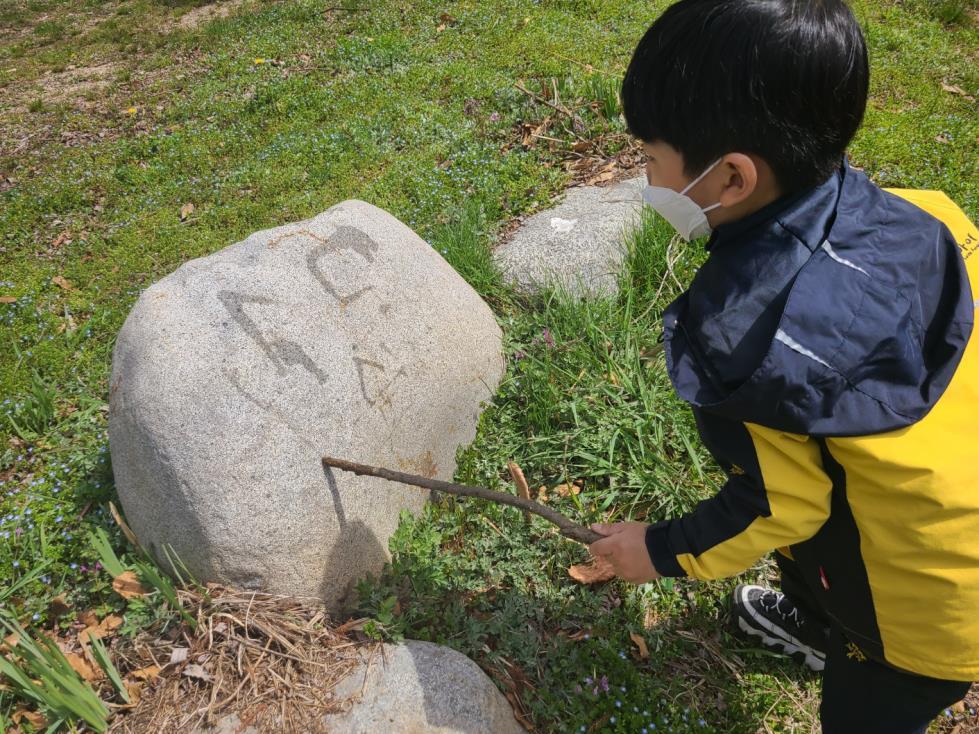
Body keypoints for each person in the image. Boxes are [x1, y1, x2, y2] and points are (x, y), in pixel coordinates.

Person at [585, 0, 979, 731]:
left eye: (647, 157)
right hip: (951, 508)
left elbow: (781, 503)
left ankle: (847, 637)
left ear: (729, 178)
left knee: (871, 708)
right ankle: (811, 615)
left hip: (925, 606)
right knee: (823, 525)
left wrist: (661, 550)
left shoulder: (746, 346)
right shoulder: (927, 214)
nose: (644, 176)